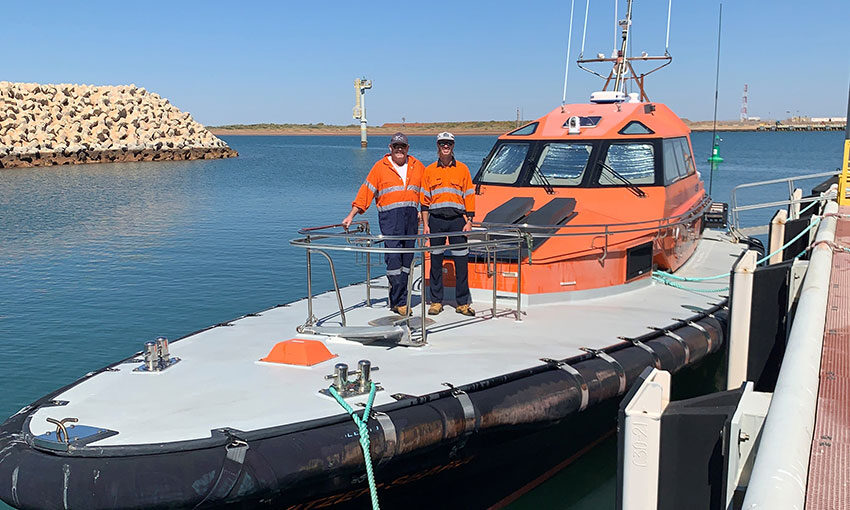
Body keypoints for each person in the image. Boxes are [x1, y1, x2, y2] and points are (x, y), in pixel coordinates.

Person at [342, 133, 425, 316]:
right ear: (390, 148)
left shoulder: (417, 166)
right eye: (396, 146)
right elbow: (366, 192)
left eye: (402, 146)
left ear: (408, 148)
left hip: (411, 219)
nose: (399, 149)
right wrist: (351, 215)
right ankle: (398, 301)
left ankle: (400, 300)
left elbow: (426, 193)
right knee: (394, 260)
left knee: (407, 261)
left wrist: (422, 213)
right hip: (390, 220)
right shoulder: (380, 167)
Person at [420, 132, 475, 316]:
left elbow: (469, 196)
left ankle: (462, 303)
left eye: (449, 143)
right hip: (436, 221)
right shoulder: (429, 171)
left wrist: (469, 221)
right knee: (435, 262)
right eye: (442, 143)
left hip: (458, 221)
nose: (446, 146)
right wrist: (426, 225)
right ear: (438, 146)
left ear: (453, 146)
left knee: (461, 263)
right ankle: (436, 302)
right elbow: (424, 201)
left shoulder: (463, 169)